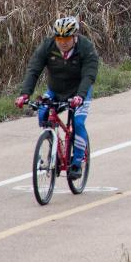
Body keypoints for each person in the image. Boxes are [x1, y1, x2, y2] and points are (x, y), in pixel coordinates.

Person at [14, 16, 100, 180]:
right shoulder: (48, 46)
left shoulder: (86, 47)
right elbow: (34, 69)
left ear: (74, 37)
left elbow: (89, 75)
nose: (63, 42)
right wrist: (25, 94)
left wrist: (80, 96)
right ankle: (54, 142)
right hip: (56, 90)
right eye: (59, 38)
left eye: (67, 38)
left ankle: (77, 161)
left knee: (78, 122)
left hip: (79, 91)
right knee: (43, 113)